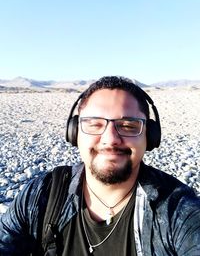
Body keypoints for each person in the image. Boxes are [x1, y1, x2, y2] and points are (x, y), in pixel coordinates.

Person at [0, 76, 200, 256]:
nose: (110, 139)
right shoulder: (41, 196)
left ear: (150, 136)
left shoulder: (177, 210)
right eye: (94, 124)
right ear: (74, 133)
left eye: (128, 125)